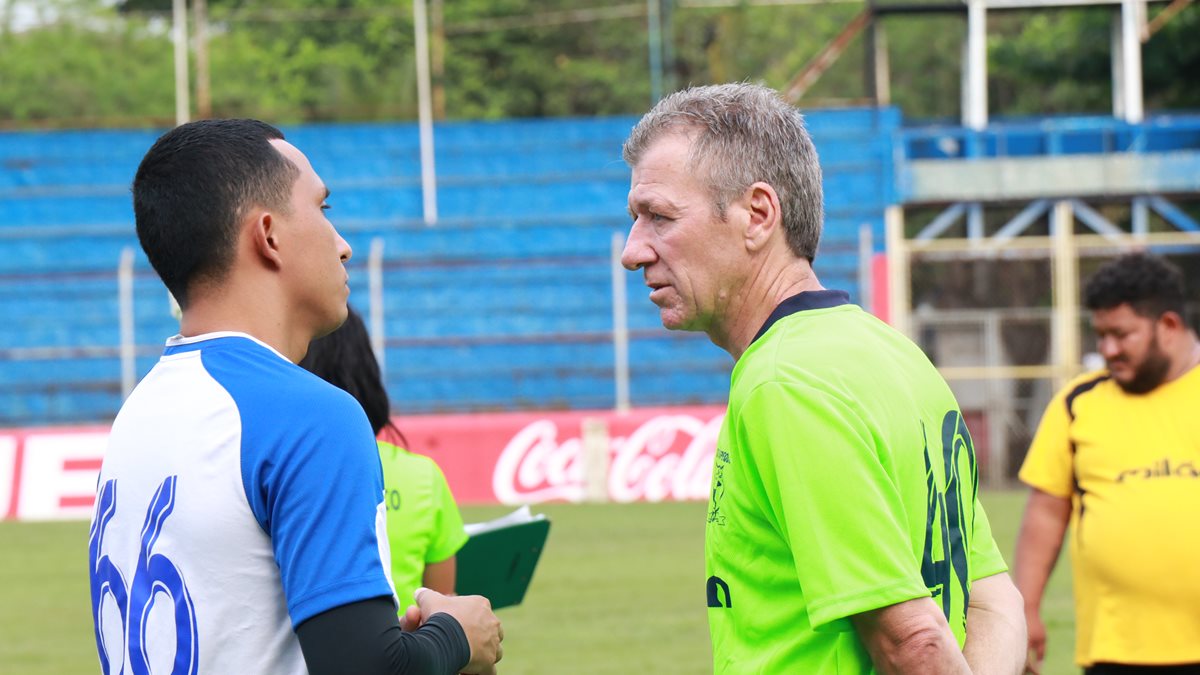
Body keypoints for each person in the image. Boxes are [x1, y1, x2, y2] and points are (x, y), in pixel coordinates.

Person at [620, 83, 1026, 673]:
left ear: (758, 215)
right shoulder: (893, 353)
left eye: (659, 217)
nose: (633, 251)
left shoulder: (785, 383)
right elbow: (993, 603)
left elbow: (912, 642)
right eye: (636, 220)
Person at [87, 118, 502, 675]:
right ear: (269, 235)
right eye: (324, 210)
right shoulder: (310, 416)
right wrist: (459, 634)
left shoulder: (138, 413)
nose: (344, 245)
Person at [1014, 252, 1200, 675]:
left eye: (1121, 335)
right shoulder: (1078, 403)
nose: (1107, 350)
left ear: (1168, 326)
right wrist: (1025, 609)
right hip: (1117, 650)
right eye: (1100, 336)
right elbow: (1045, 511)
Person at [300, 305, 468, 605]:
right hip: (406, 648)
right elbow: (442, 608)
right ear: (368, 372)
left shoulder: (287, 471)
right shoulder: (423, 477)